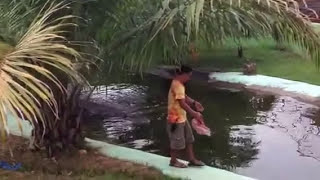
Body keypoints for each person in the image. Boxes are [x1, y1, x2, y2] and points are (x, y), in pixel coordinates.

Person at [167, 65, 205, 168]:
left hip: (182, 118)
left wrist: (194, 102)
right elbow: (182, 103)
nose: (189, 78)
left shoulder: (178, 83)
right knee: (177, 142)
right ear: (183, 74)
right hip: (175, 119)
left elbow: (184, 96)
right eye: (188, 76)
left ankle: (192, 159)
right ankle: (173, 161)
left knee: (189, 139)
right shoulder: (177, 85)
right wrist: (194, 113)